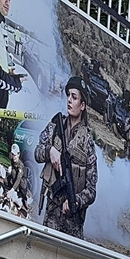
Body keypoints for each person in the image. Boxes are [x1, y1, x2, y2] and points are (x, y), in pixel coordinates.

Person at [34, 76, 97, 239]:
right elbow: (37, 152)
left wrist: (74, 201)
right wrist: (50, 151)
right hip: (52, 215)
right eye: (68, 95)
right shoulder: (55, 126)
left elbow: (91, 190)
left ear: (82, 105)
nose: (69, 100)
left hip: (73, 223)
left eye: (74, 97)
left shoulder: (88, 141)